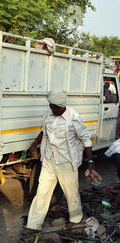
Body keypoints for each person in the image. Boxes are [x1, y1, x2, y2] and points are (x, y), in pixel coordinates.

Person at [22, 90, 96, 235]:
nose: (53, 109)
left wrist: (91, 161)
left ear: (63, 105)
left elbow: (86, 140)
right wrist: (34, 143)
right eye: (51, 106)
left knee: (71, 192)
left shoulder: (73, 118)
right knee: (42, 192)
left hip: (66, 162)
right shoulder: (49, 115)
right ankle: (33, 224)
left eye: (56, 107)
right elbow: (44, 130)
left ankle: (76, 220)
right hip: (49, 159)